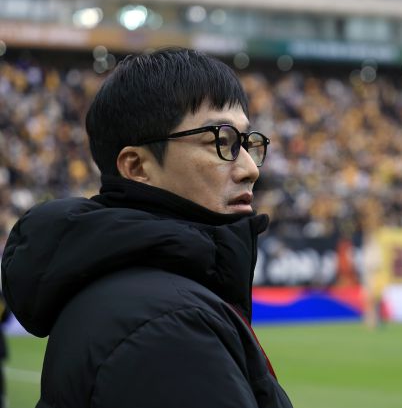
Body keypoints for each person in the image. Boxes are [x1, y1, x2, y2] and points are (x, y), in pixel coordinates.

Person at [1, 48, 293, 408]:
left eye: (247, 143)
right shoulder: (168, 324)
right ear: (137, 166)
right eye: (221, 141)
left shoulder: (144, 299)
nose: (251, 169)